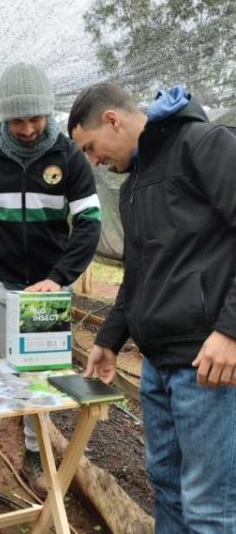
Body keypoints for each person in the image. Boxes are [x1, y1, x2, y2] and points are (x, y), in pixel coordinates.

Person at [68, 82, 236, 533]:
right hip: (157, 367)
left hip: (207, 364)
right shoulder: (133, 186)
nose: (93, 160)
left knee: (210, 507)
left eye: (90, 146)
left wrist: (230, 332)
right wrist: (108, 339)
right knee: (167, 487)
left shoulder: (202, 144)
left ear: (112, 120)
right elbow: (138, 275)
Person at [0, 62, 101, 519]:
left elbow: (88, 224)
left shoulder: (69, 156)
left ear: (47, 112)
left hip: (45, 290)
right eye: (17, 120)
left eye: (34, 118)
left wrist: (58, 278)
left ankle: (34, 453)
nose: (26, 128)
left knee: (35, 379)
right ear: (4, 116)